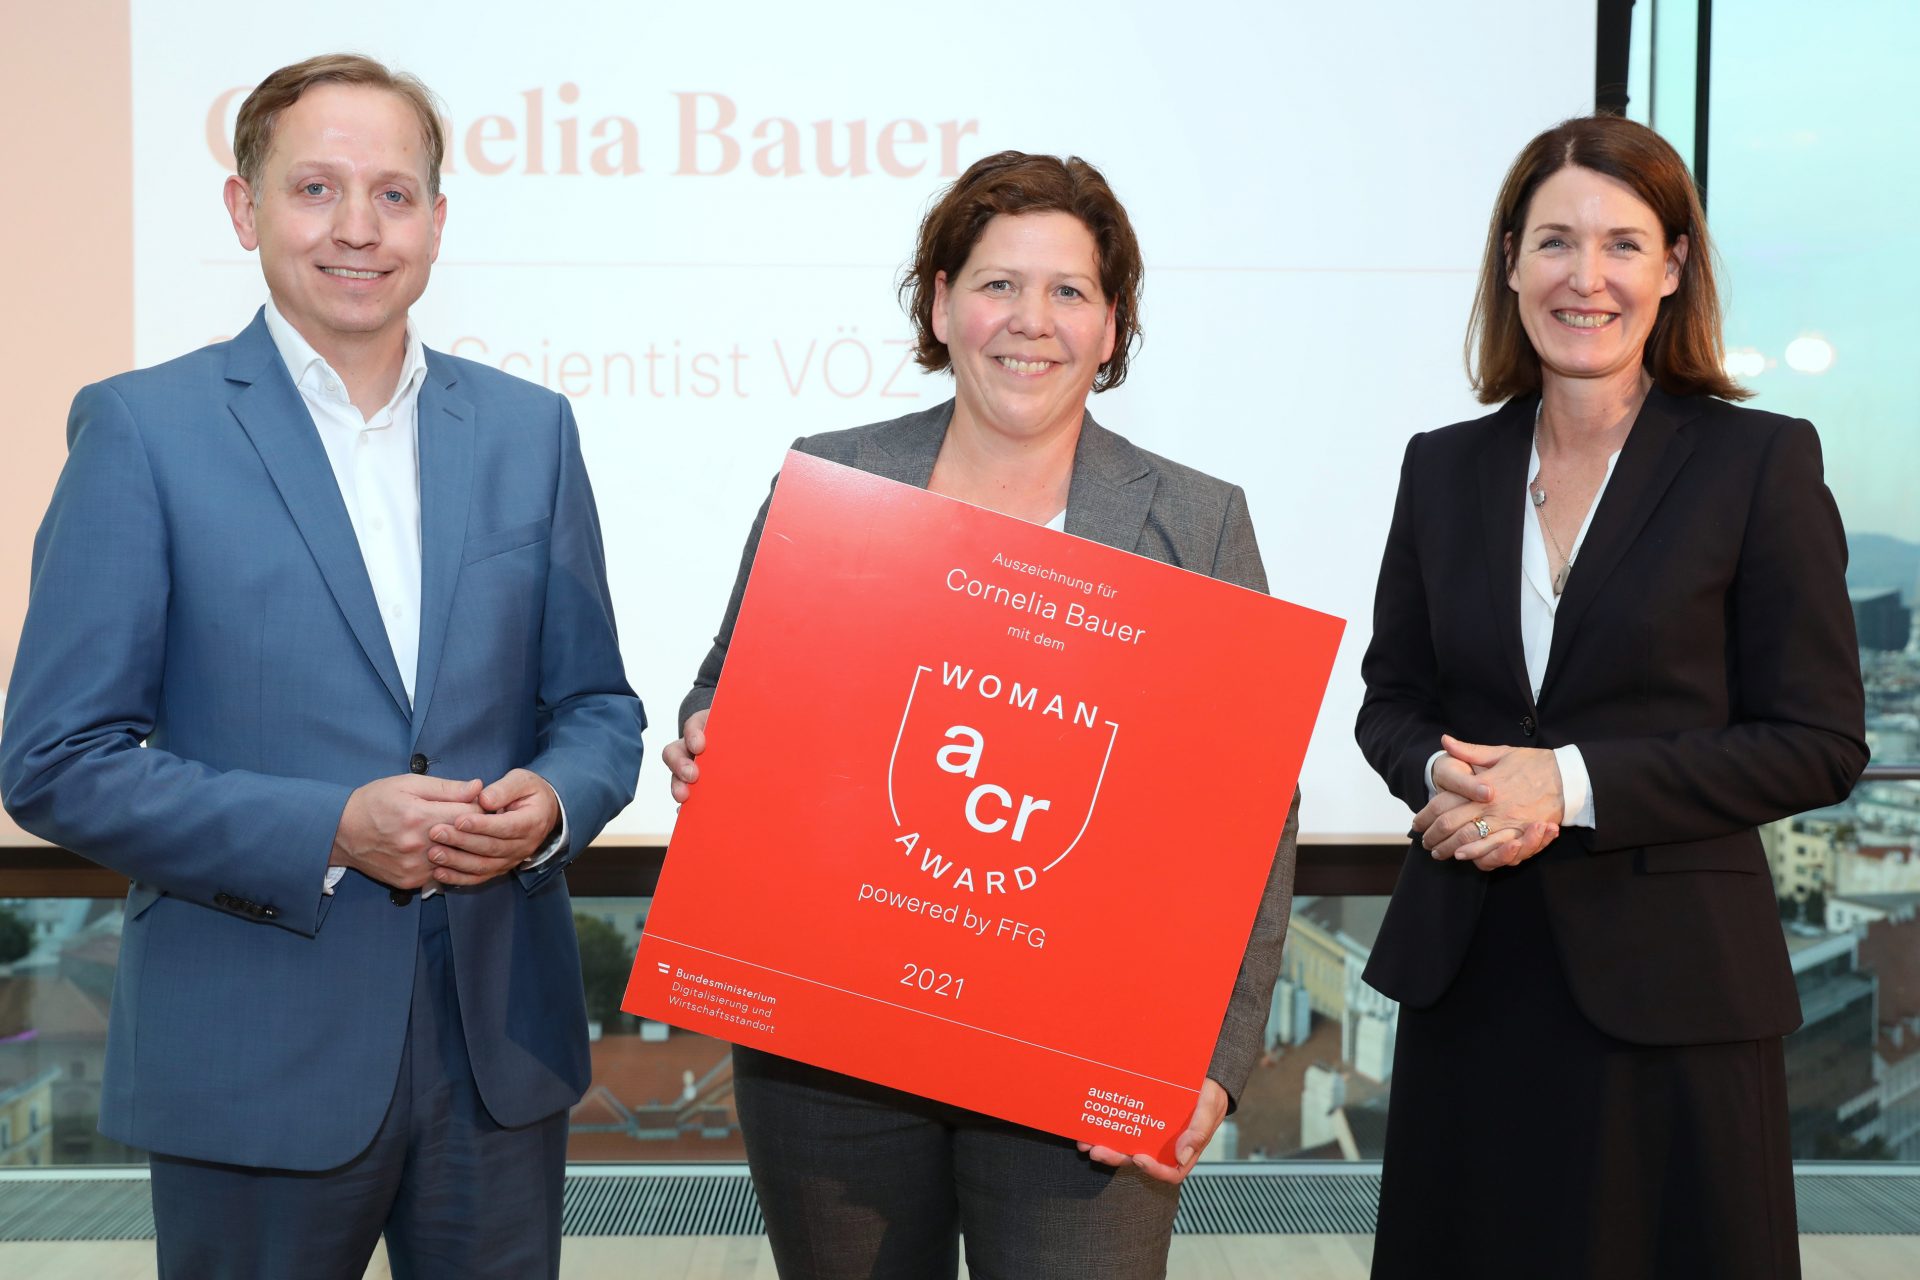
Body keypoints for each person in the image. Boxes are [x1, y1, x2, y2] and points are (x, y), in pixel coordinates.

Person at [0, 54, 643, 1279]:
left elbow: (598, 705)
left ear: (440, 222)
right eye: (316, 190)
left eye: (395, 194)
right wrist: (330, 828)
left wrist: (555, 801)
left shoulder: (528, 431)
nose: (359, 228)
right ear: (245, 211)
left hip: (499, 1055)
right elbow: (55, 759)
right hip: (251, 1056)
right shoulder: (142, 430)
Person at [661, 151, 1300, 1280]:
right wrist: (717, 731)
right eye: (999, 283)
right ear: (943, 300)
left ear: (1112, 328)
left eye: (1069, 291)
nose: (1031, 321)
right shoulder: (834, 481)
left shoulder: (1198, 523)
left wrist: (1213, 1059)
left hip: (1084, 1066)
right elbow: (725, 679)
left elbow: (1252, 814)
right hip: (831, 1050)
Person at [1355, 113, 1868, 1279]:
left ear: (1674, 268)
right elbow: (1393, 696)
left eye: (1624, 244)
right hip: (1471, 980)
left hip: (1675, 1002)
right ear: (1509, 262)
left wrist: (1570, 784)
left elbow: (1821, 740)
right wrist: (1447, 773)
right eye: (1554, 242)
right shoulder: (1444, 465)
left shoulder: (1760, 462)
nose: (1586, 277)